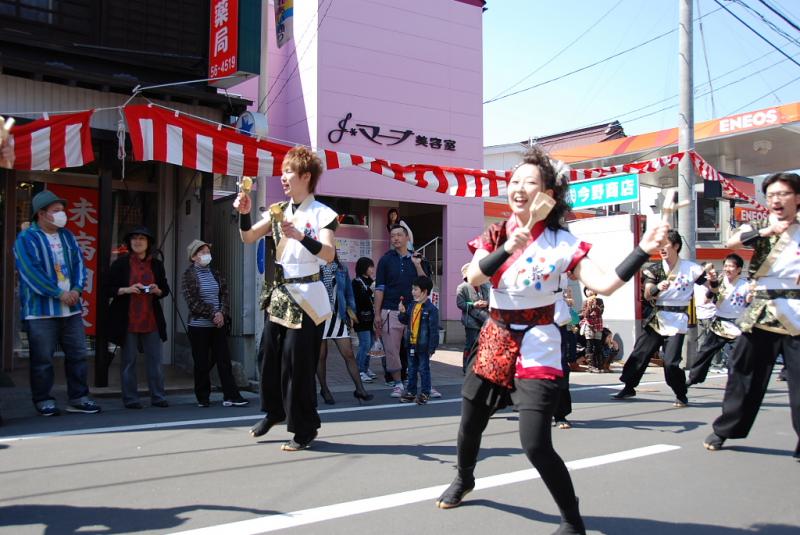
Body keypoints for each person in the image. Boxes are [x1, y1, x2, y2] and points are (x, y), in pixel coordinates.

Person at [434, 147, 669, 535]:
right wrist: (509, 247)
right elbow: (474, 278)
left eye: (530, 182)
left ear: (549, 195)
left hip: (539, 342)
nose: (519, 189)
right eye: (514, 182)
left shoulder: (562, 242)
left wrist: (643, 250)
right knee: (469, 422)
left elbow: (605, 284)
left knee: (534, 443)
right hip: (495, 336)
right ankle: (464, 478)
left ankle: (572, 519)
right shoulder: (496, 233)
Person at [236, 146, 337, 452]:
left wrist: (301, 237)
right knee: (267, 354)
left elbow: (330, 254)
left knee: (297, 362)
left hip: (309, 294)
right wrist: (243, 215)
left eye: (289, 171)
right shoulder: (278, 210)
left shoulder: (323, 213)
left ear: (306, 176)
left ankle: (305, 428)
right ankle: (274, 411)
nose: (283, 177)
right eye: (283, 171)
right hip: (281, 293)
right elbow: (248, 237)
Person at [703, 173, 800, 462]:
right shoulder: (760, 227)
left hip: (797, 313)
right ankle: (726, 429)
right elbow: (731, 241)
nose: (776, 200)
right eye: (771, 195)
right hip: (761, 312)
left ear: (797, 198)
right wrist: (763, 233)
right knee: (742, 372)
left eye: (782, 194)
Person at [14, 190, 100, 416]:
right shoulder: (26, 238)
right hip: (40, 311)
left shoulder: (68, 236)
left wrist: (77, 289)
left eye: (62, 210)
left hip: (70, 308)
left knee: (78, 354)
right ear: (42, 214)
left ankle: (79, 397)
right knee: (42, 359)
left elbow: (80, 264)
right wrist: (57, 293)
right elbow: (29, 272)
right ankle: (43, 399)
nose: (62, 214)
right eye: (56, 211)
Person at [611, 230, 712, 407]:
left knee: (671, 362)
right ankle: (629, 386)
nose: (662, 249)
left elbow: (712, 288)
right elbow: (648, 294)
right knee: (640, 353)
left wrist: (714, 283)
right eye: (660, 246)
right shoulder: (655, 269)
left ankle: (680, 393)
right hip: (657, 317)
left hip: (678, 318)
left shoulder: (692, 269)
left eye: (665, 245)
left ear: (676, 246)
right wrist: (658, 287)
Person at [107, 226, 170, 409]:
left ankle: (158, 396)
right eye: (134, 238)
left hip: (151, 318)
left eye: (142, 238)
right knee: (128, 362)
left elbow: (164, 289)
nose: (138, 241)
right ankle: (130, 399)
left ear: (148, 243)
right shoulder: (120, 264)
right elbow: (107, 288)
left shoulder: (156, 264)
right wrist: (127, 289)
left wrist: (157, 290)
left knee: (155, 362)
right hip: (127, 319)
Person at [181, 240, 249, 408]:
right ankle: (203, 397)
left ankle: (231, 395)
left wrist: (221, 314)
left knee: (224, 360)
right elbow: (192, 302)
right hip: (199, 326)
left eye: (207, 251)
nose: (206, 255)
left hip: (218, 325)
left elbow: (225, 295)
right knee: (202, 362)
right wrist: (213, 313)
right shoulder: (188, 275)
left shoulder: (216, 273)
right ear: (193, 257)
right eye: (202, 252)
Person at [373, 224, 431, 397]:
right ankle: (398, 383)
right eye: (393, 236)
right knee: (391, 350)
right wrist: (377, 313)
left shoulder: (418, 259)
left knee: (419, 347)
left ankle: (418, 383)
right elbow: (379, 288)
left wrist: (417, 265)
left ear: (407, 238)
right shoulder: (385, 260)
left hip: (415, 311)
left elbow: (426, 285)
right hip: (390, 311)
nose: (396, 238)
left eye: (399, 235)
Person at [686, 254, 751, 387]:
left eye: (731, 266)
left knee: (737, 357)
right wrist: (712, 290)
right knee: (705, 352)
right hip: (720, 323)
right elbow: (706, 299)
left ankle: (737, 384)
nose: (728, 269)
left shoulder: (745, 285)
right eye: (726, 265)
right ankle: (694, 377)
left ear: (739, 269)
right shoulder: (720, 282)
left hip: (737, 325)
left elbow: (750, 301)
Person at [317, 253, 373, 404]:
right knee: (321, 356)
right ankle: (325, 389)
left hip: (338, 316)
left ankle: (360, 389)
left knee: (348, 353)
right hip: (319, 317)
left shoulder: (341, 268)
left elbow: (348, 292)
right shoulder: (314, 267)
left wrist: (351, 312)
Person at [398, 276, 439, 405]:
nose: (413, 292)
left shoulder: (431, 309)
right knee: (411, 369)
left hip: (423, 346)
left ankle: (425, 393)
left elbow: (434, 331)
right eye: (413, 289)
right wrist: (402, 313)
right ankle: (411, 392)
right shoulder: (412, 305)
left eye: (415, 289)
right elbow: (405, 321)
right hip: (411, 343)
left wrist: (432, 348)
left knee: (423, 369)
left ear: (424, 291)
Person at [456, 262, 490, 373]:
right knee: (470, 345)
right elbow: (460, 304)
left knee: (483, 345)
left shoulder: (484, 285)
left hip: (484, 319)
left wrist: (486, 303)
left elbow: (491, 299)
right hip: (471, 321)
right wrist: (473, 304)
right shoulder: (462, 287)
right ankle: (467, 367)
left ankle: (480, 368)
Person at [352, 256, 377, 382]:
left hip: (371, 318)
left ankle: (365, 368)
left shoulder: (370, 281)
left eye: (372, 266)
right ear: (363, 267)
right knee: (365, 344)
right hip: (361, 319)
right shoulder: (356, 282)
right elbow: (358, 301)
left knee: (371, 344)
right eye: (370, 266)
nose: (372, 269)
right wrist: (370, 291)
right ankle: (359, 370)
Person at [578, 287, 604, 373]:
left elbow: (601, 312)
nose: (590, 291)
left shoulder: (600, 301)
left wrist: (595, 306)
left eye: (591, 289)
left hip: (598, 324)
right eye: (587, 290)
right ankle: (591, 366)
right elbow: (585, 315)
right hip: (589, 325)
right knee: (589, 345)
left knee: (598, 345)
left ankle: (599, 365)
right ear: (585, 292)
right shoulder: (585, 302)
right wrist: (589, 306)